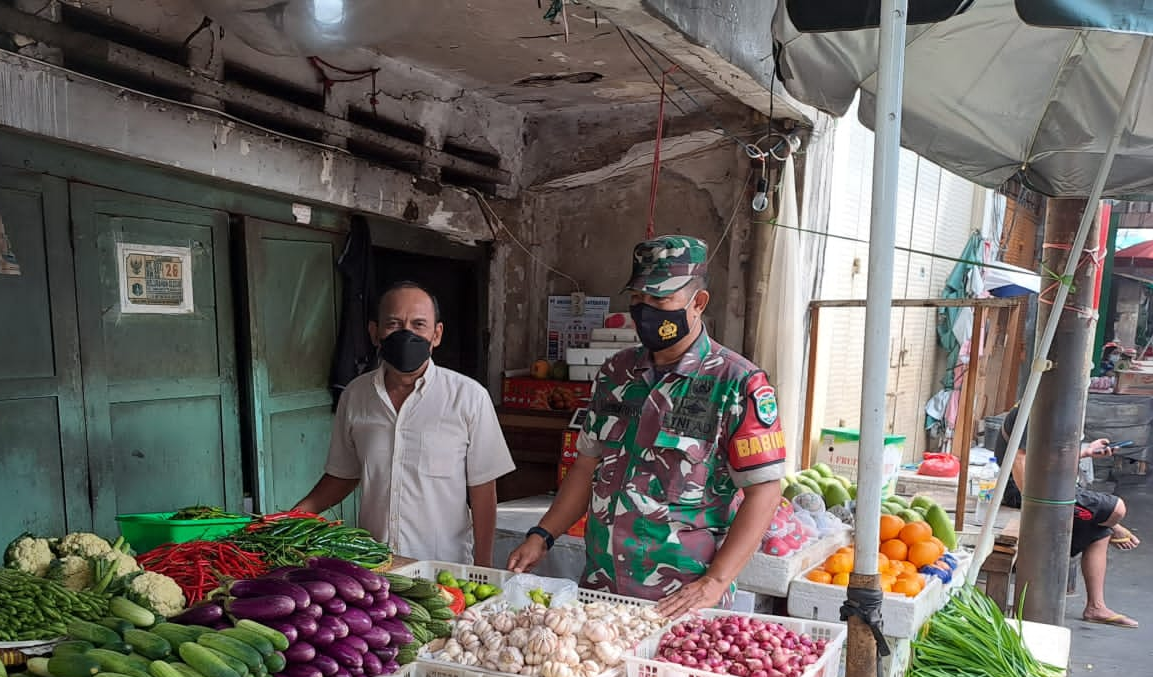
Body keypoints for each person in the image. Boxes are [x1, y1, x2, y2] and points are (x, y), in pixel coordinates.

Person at [506, 235, 786, 617]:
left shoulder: (737, 384)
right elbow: (587, 466)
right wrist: (543, 534)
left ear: (697, 303)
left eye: (661, 300)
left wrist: (715, 581)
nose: (646, 311)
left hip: (683, 601)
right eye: (638, 299)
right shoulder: (615, 373)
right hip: (602, 590)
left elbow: (765, 492)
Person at [293, 281, 515, 565]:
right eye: (394, 324)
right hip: (375, 569)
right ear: (375, 333)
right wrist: (295, 515)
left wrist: (484, 566)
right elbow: (343, 474)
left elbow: (483, 491)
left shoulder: (469, 398)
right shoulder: (356, 396)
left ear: (436, 334)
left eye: (419, 324)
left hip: (443, 569)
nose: (407, 333)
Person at [995, 404, 1139, 628]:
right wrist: (1033, 504)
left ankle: (1096, 607)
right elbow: (1020, 460)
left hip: (1048, 484)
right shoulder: (1036, 408)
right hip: (1027, 490)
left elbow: (1047, 455)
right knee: (1116, 509)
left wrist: (1087, 451)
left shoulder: (1052, 407)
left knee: (1100, 531)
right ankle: (1112, 526)